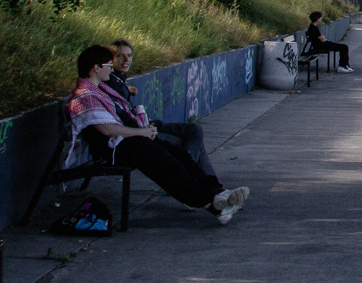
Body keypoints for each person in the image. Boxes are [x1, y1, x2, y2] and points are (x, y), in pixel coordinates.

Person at [65, 46, 247, 224]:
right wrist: (141, 132)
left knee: (177, 153)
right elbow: (107, 130)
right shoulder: (86, 96)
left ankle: (216, 193)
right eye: (108, 66)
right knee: (165, 163)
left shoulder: (98, 89)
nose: (112, 69)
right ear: (96, 68)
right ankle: (212, 204)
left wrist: (142, 130)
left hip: (124, 142)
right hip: (114, 149)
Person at [109, 39, 217, 177]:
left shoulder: (118, 81)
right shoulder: (109, 83)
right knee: (189, 141)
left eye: (129, 56)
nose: (125, 60)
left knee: (194, 130)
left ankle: (200, 180)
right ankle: (193, 177)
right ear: (109, 60)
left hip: (144, 125)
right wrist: (143, 129)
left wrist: (127, 89)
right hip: (137, 133)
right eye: (119, 56)